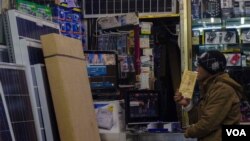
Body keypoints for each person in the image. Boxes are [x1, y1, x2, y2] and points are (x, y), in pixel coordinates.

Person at [174, 50, 243, 141]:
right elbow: (201, 120)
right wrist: (188, 105)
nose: (196, 69)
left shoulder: (222, 89)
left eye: (199, 66)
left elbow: (208, 124)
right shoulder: (211, 87)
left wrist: (187, 132)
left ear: (210, 69)